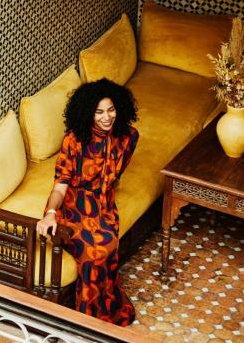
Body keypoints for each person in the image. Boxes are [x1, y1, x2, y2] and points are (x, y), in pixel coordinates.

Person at [36, 78, 139, 326]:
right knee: (94, 253)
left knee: (109, 243)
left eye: (111, 110)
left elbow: (118, 172)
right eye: (99, 112)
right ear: (87, 113)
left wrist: (106, 189)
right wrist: (51, 212)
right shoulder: (74, 141)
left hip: (103, 206)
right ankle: (87, 322)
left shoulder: (128, 137)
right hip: (73, 207)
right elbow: (61, 184)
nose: (107, 117)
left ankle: (106, 311)